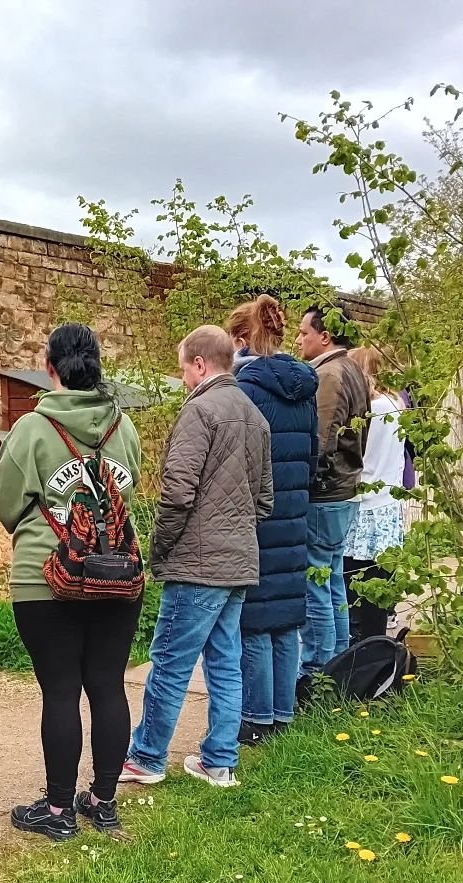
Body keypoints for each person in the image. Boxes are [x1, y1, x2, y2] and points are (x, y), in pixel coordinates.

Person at [0, 323, 143, 840]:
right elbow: (131, 488)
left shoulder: (32, 429)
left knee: (59, 692)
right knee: (107, 686)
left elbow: (6, 503)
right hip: (117, 576)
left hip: (44, 577)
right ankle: (102, 803)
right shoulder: (124, 428)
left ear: (50, 369)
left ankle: (57, 813)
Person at [121, 325, 272, 788]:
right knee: (226, 661)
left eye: (184, 367)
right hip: (239, 560)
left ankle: (147, 756)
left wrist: (160, 547)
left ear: (200, 365)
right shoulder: (255, 416)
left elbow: (176, 493)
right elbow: (264, 499)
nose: (182, 376)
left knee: (170, 660)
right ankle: (219, 760)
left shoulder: (199, 412)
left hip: (197, 564)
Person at [229, 297, 319, 746]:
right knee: (285, 619)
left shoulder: (244, 389)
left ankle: (256, 718)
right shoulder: (306, 389)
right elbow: (313, 453)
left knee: (256, 619)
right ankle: (283, 712)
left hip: (256, 514)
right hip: (295, 510)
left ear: (240, 340)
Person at [295, 304, 371, 679]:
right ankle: (341, 661)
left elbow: (320, 441)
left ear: (325, 336)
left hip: (325, 494)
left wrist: (299, 481)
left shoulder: (329, 374)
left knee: (316, 584)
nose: (297, 340)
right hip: (344, 489)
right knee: (333, 579)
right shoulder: (354, 368)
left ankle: (318, 669)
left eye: (303, 333)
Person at [343, 346, 407, 642]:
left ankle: (354, 655)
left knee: (353, 585)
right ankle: (377, 649)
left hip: (362, 505)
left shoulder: (368, 410)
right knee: (379, 590)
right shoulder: (397, 404)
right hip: (388, 506)